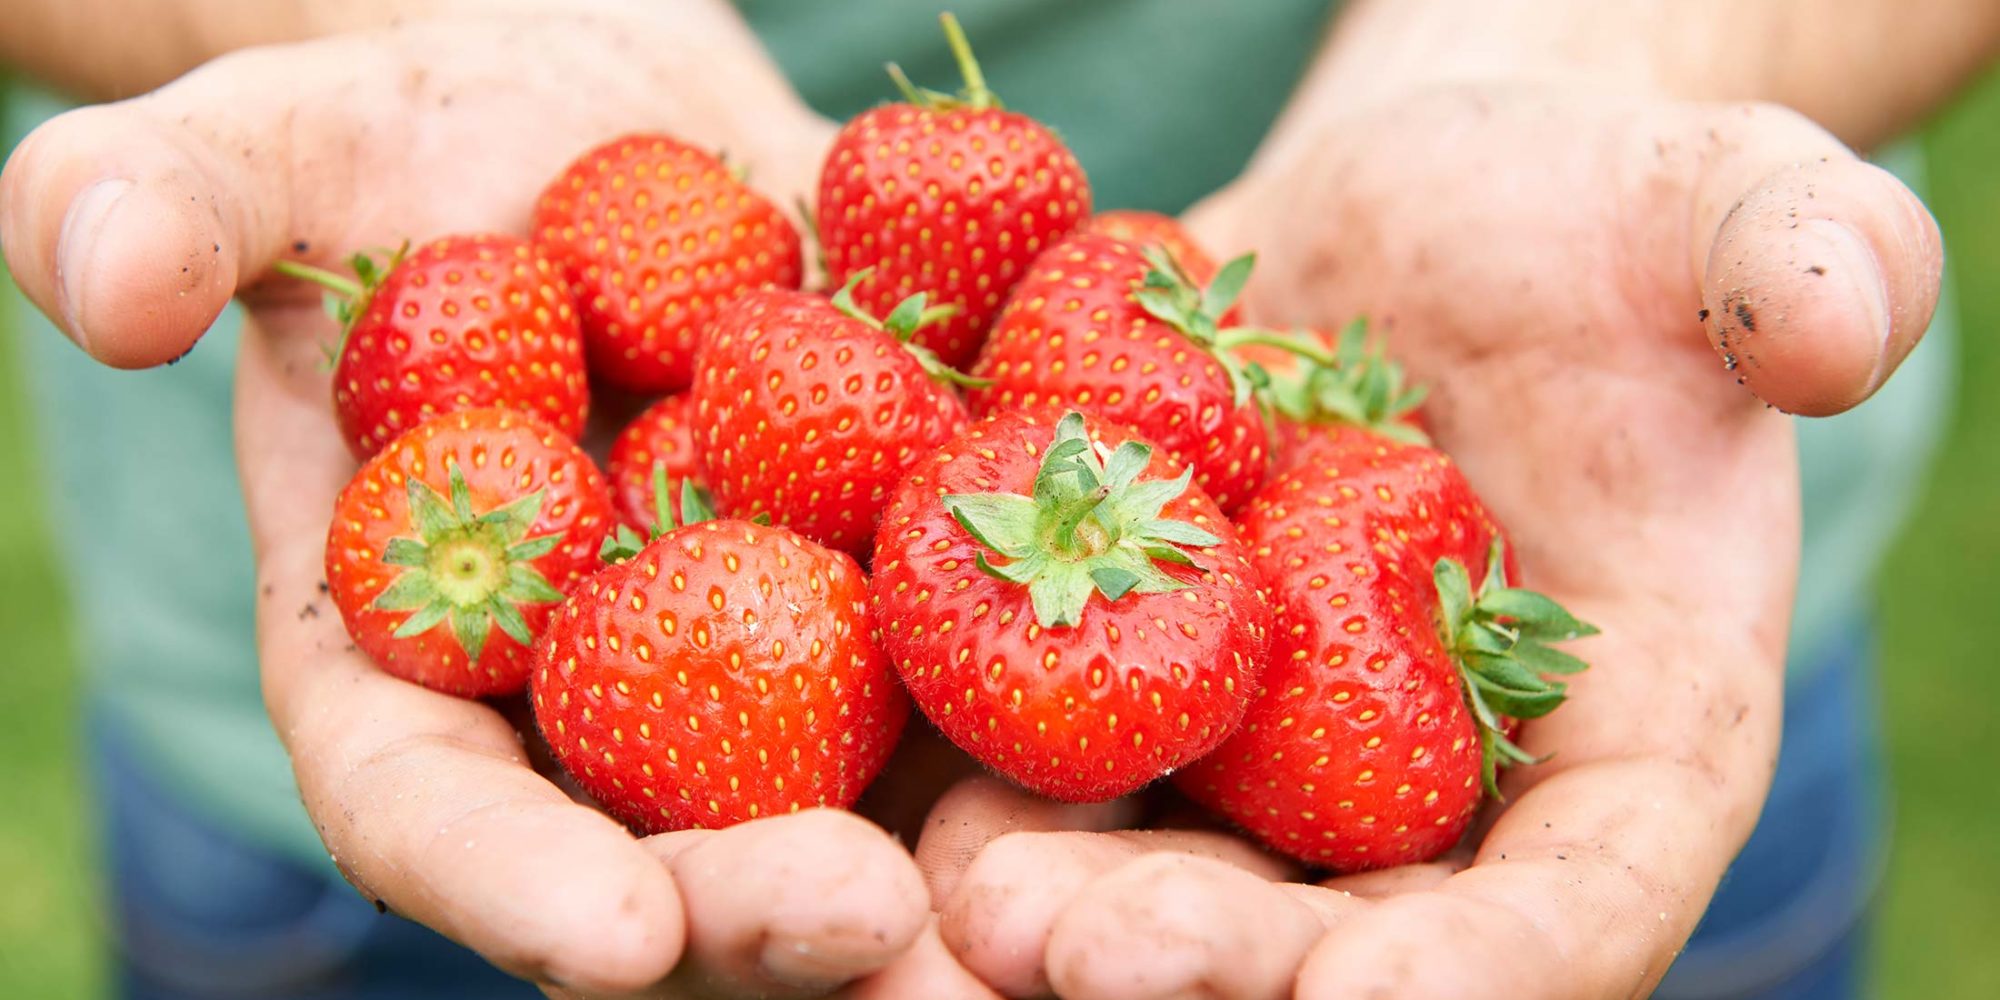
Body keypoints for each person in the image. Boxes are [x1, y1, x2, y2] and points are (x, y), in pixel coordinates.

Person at [2, 0, 1992, 996]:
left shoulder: (1242, 510)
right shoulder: (784, 436)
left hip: (1623, 524)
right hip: (286, 762)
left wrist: (1613, 52)